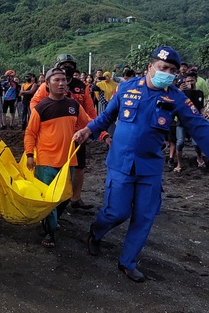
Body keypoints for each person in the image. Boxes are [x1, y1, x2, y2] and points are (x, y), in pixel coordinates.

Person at [73, 46, 209, 283]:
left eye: (172, 70)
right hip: (121, 162)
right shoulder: (126, 87)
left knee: (144, 217)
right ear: (150, 67)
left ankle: (127, 262)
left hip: (150, 167)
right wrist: (89, 130)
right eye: (163, 67)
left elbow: (199, 126)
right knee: (117, 211)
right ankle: (96, 233)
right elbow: (107, 117)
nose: (167, 72)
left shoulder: (176, 97)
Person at [25, 67, 93, 247]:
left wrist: (100, 135)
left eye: (64, 80)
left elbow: (88, 124)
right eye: (57, 80)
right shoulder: (40, 108)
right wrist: (30, 155)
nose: (62, 83)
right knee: (50, 199)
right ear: (47, 84)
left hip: (68, 160)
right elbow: (30, 133)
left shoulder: (73, 105)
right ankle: (50, 233)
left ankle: (50, 222)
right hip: (46, 161)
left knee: (64, 197)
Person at [174, 72, 206, 172]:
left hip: (194, 121)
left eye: (191, 80)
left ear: (195, 81)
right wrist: (179, 91)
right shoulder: (180, 93)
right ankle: (179, 164)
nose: (189, 83)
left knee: (196, 144)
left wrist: (204, 113)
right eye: (187, 81)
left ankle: (199, 157)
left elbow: (200, 108)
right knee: (179, 143)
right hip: (181, 121)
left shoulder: (199, 93)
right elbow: (174, 104)